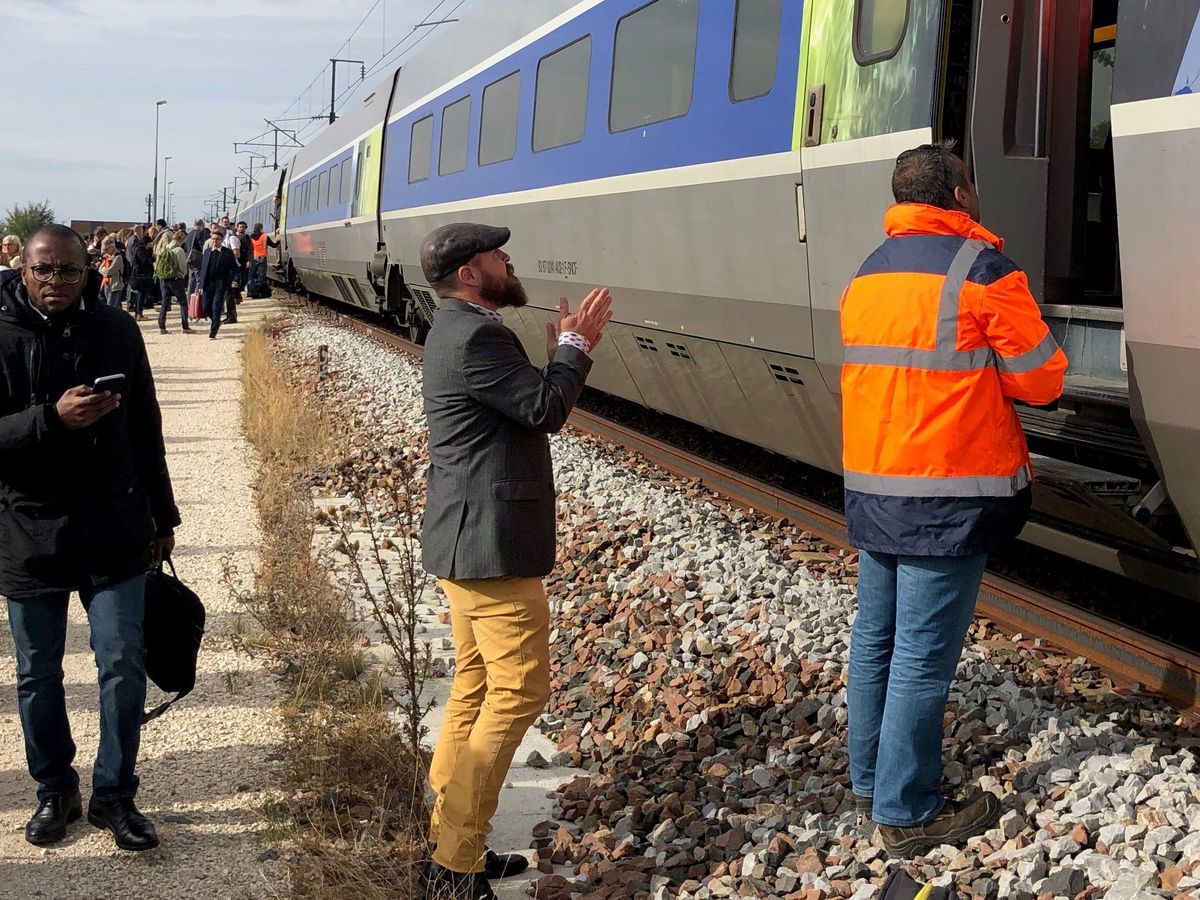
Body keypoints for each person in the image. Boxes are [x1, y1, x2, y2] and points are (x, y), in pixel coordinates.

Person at [840, 143, 1067, 858]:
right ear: (961, 194)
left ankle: (869, 781)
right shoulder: (983, 271)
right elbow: (1042, 381)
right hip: (947, 498)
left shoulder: (868, 272)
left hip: (877, 488)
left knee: (875, 643)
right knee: (920, 660)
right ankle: (905, 812)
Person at [418, 223, 612, 900]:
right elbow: (542, 407)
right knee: (518, 691)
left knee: (474, 688)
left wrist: (563, 351)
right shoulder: (476, 334)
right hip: (491, 548)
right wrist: (575, 347)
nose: (509, 261)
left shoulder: (456, 326)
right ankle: (457, 860)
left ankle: (448, 839)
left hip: (467, 540)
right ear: (472, 273)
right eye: (499, 255)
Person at [0, 224, 180, 852]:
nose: (56, 283)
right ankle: (55, 788)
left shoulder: (117, 329)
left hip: (115, 526)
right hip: (30, 531)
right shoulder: (1, 332)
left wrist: (164, 516)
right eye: (44, 270)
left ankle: (114, 795)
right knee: (36, 673)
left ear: (88, 273)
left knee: (122, 663)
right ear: (22, 269)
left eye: (69, 272)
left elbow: (146, 425)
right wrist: (50, 419)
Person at [198, 225, 237, 339]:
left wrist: (234, 280)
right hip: (207, 285)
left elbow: (235, 269)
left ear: (222, 240)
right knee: (206, 307)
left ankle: (213, 331)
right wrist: (200, 284)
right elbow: (203, 269)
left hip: (221, 284)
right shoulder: (207, 252)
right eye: (213, 239)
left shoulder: (227, 253)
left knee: (216, 308)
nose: (215, 241)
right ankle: (216, 321)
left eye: (217, 239)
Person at [156, 229, 190, 334]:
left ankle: (162, 326)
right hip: (175, 279)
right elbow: (183, 266)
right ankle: (185, 326)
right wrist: (183, 275)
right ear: (182, 239)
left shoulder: (165, 248)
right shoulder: (178, 250)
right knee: (183, 302)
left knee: (165, 303)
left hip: (163, 279)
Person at [123, 225, 153, 319]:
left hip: (142, 274)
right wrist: (152, 258)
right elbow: (144, 260)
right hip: (140, 275)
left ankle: (139, 312)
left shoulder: (142, 248)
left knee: (141, 294)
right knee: (140, 294)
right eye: (150, 243)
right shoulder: (140, 249)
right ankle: (138, 313)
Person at [248, 223, 278, 296]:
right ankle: (259, 292)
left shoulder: (250, 237)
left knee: (251, 275)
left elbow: (249, 248)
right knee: (261, 276)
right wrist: (279, 241)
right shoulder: (265, 237)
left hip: (253, 258)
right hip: (262, 258)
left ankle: (250, 292)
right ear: (261, 228)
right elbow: (274, 245)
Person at [183, 218, 210, 301]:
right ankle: (197, 301)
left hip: (190, 259)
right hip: (197, 259)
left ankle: (189, 301)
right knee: (199, 280)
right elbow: (203, 247)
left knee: (191, 281)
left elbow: (185, 248)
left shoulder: (189, 234)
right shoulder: (200, 233)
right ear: (202, 224)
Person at [98, 236, 125, 310]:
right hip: (106, 285)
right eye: (104, 249)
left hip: (114, 286)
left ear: (112, 247)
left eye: (106, 249)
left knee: (111, 307)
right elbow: (99, 269)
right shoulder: (106, 257)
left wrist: (104, 270)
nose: (105, 251)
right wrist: (105, 270)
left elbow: (110, 272)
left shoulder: (118, 257)